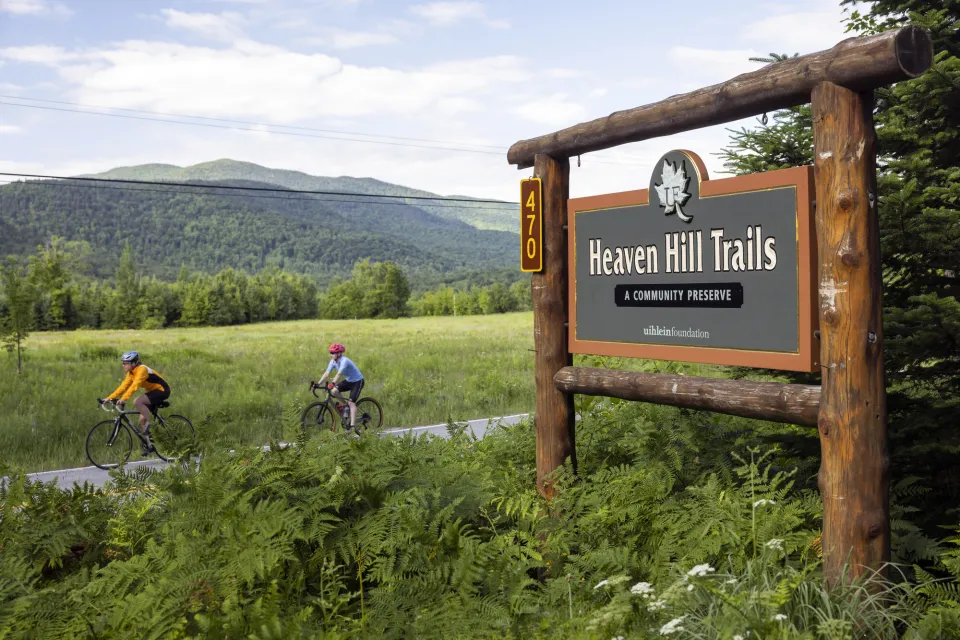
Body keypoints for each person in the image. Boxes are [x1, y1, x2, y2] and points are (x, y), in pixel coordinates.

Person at [103, 351, 171, 453]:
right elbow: (123, 387)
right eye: (123, 363)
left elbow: (134, 386)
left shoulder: (142, 369)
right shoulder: (131, 373)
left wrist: (124, 399)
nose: (123, 365)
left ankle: (150, 426)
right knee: (141, 421)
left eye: (125, 363)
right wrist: (109, 398)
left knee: (138, 401)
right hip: (153, 392)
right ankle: (149, 445)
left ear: (133, 363)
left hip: (162, 390)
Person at [315, 343, 364, 432]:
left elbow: (339, 374)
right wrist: (318, 384)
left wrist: (333, 383)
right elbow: (327, 373)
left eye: (333, 353)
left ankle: (353, 427)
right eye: (330, 352)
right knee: (334, 392)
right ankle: (345, 406)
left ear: (339, 353)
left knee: (352, 403)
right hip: (349, 381)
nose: (331, 355)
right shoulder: (333, 361)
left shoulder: (344, 361)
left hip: (357, 381)